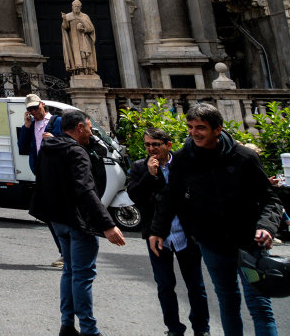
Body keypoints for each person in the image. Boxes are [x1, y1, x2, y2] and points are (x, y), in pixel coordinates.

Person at [151, 103, 281, 336]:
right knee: (228, 303)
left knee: (260, 307)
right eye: (190, 127)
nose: (194, 132)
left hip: (249, 244)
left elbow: (270, 198)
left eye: (200, 127)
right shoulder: (184, 159)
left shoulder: (244, 157)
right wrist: (158, 230)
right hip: (212, 244)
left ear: (218, 129)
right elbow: (170, 197)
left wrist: (266, 228)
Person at [30, 107, 126, 336]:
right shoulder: (76, 152)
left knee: (70, 272)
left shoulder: (49, 147)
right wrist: (107, 224)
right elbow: (85, 190)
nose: (91, 134)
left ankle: (66, 325)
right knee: (82, 275)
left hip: (57, 219)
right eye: (90, 129)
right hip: (77, 221)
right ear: (80, 127)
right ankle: (89, 330)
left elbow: (42, 181)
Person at [129, 126, 210, 336]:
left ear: (168, 145)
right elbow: (135, 195)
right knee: (165, 285)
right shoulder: (139, 167)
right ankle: (174, 328)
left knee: (196, 286)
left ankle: (202, 328)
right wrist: (150, 174)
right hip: (157, 236)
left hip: (185, 233)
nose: (151, 149)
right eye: (147, 145)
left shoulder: (183, 165)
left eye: (156, 145)